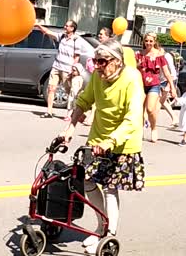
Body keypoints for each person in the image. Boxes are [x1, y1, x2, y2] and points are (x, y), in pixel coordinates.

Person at [61, 38, 145, 254]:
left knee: (110, 186)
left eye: (102, 62)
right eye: (95, 61)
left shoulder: (132, 79)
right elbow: (84, 100)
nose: (97, 66)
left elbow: (133, 117)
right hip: (98, 138)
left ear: (116, 61)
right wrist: (69, 130)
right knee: (87, 181)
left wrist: (111, 141)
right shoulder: (99, 77)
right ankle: (100, 226)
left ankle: (109, 234)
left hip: (122, 142)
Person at [136, 32, 177, 142]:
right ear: (144, 41)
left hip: (154, 85)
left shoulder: (159, 56)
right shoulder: (139, 54)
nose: (148, 43)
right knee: (139, 110)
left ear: (154, 42)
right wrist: (137, 66)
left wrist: (172, 87)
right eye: (146, 41)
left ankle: (153, 128)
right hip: (140, 84)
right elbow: (133, 70)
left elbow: (167, 72)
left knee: (150, 109)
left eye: (151, 41)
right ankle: (139, 131)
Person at [36, 20, 81, 118]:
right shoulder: (61, 37)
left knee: (69, 91)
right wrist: (39, 26)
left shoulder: (76, 40)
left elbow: (76, 57)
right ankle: (49, 112)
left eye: (67, 26)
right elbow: (48, 32)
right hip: (56, 67)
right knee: (51, 89)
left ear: (72, 28)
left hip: (67, 69)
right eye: (65, 25)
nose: (65, 27)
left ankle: (73, 112)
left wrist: (72, 69)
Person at [160, 49, 179, 128]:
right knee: (161, 101)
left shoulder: (166, 56)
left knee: (161, 101)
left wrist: (169, 85)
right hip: (159, 80)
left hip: (166, 80)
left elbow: (172, 72)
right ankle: (175, 118)